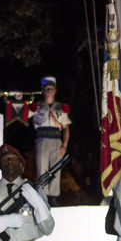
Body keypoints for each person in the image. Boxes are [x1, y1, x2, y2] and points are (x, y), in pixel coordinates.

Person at [28, 77, 71, 206]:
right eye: (46, 88)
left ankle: (54, 197)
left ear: (55, 90)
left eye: (51, 88)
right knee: (42, 169)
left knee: (56, 169)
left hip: (56, 140)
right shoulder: (36, 106)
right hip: (42, 138)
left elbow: (66, 128)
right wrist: (20, 100)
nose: (49, 90)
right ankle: (43, 196)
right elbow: (22, 115)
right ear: (42, 90)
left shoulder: (61, 107)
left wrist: (65, 145)